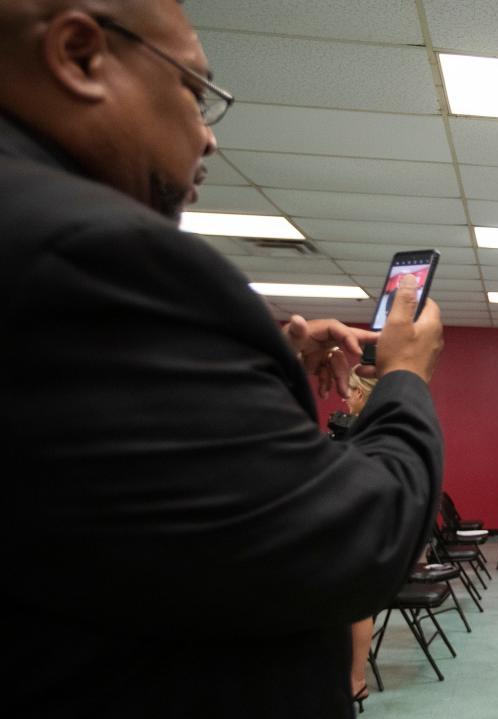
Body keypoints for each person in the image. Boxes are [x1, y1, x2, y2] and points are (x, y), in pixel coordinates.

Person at [0, 2, 444, 718]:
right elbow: (361, 543)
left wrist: (265, 364)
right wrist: (404, 374)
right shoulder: (93, 255)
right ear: (80, 54)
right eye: (194, 92)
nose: (208, 137)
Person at [341, 368, 379, 712]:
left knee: (357, 602)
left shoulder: (370, 439)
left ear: (362, 395)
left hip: (361, 544)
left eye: (351, 391)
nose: (345, 397)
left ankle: (355, 677)